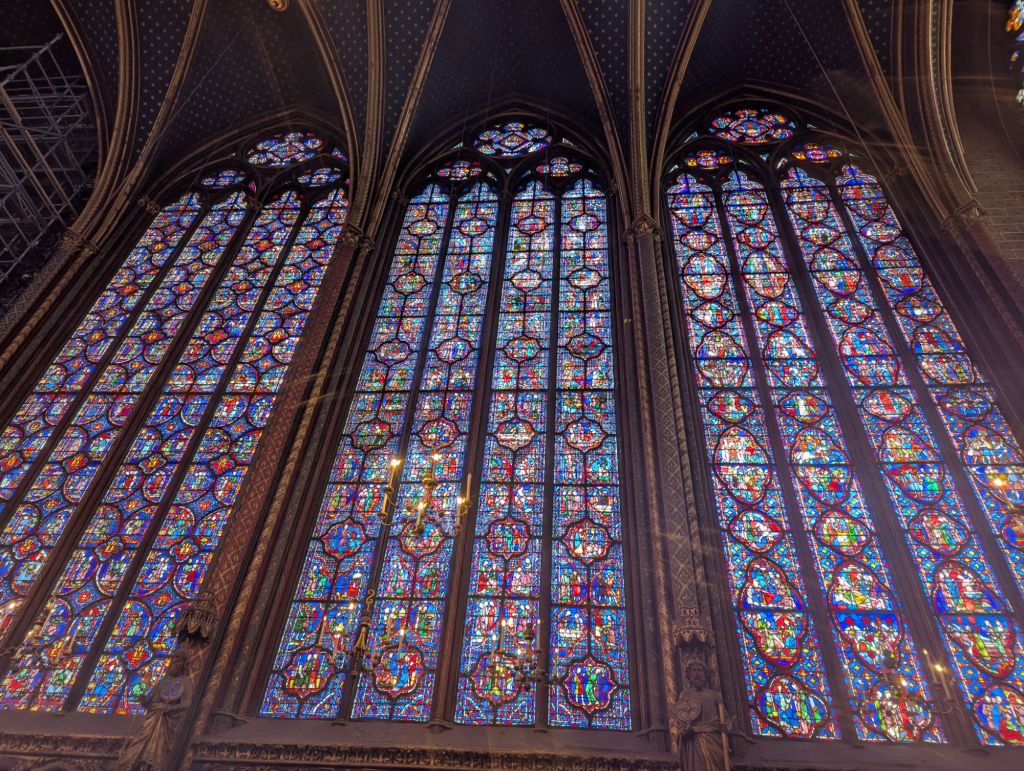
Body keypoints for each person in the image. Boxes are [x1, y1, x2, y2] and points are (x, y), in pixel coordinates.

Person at [117, 647, 194, 771]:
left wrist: (168, 708)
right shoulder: (164, 681)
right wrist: (143, 699)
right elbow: (150, 702)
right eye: (174, 658)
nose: (174, 661)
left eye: (178, 659)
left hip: (167, 722)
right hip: (152, 718)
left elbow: (186, 704)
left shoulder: (186, 682)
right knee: (137, 746)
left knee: (156, 750)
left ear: (184, 663)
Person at [672, 660, 731, 771]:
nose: (697, 674)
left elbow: (726, 718)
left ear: (705, 674)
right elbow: (682, 718)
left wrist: (726, 727)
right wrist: (685, 730)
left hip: (713, 738)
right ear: (689, 675)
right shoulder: (685, 695)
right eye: (693, 671)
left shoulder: (715, 695)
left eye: (700, 670)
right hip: (695, 740)